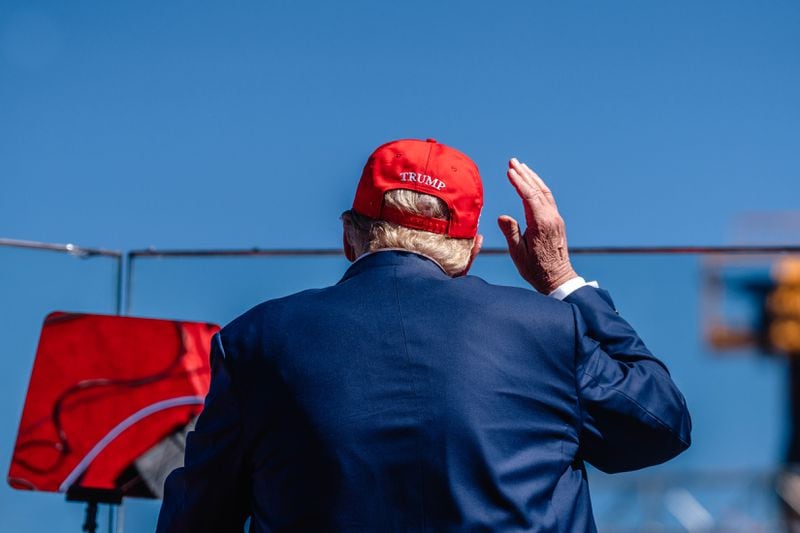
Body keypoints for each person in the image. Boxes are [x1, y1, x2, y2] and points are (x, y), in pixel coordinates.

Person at [156, 138, 691, 532]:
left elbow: (197, 520)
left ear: (349, 235)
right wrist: (563, 281)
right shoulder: (549, 330)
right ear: (471, 249)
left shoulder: (256, 339)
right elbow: (660, 425)